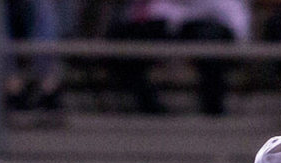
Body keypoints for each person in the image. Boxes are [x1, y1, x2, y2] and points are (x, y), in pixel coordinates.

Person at [105, 0, 252, 115]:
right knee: (124, 38)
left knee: (209, 40)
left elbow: (237, 28)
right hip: (168, 33)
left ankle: (213, 111)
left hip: (211, 36)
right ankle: (148, 107)